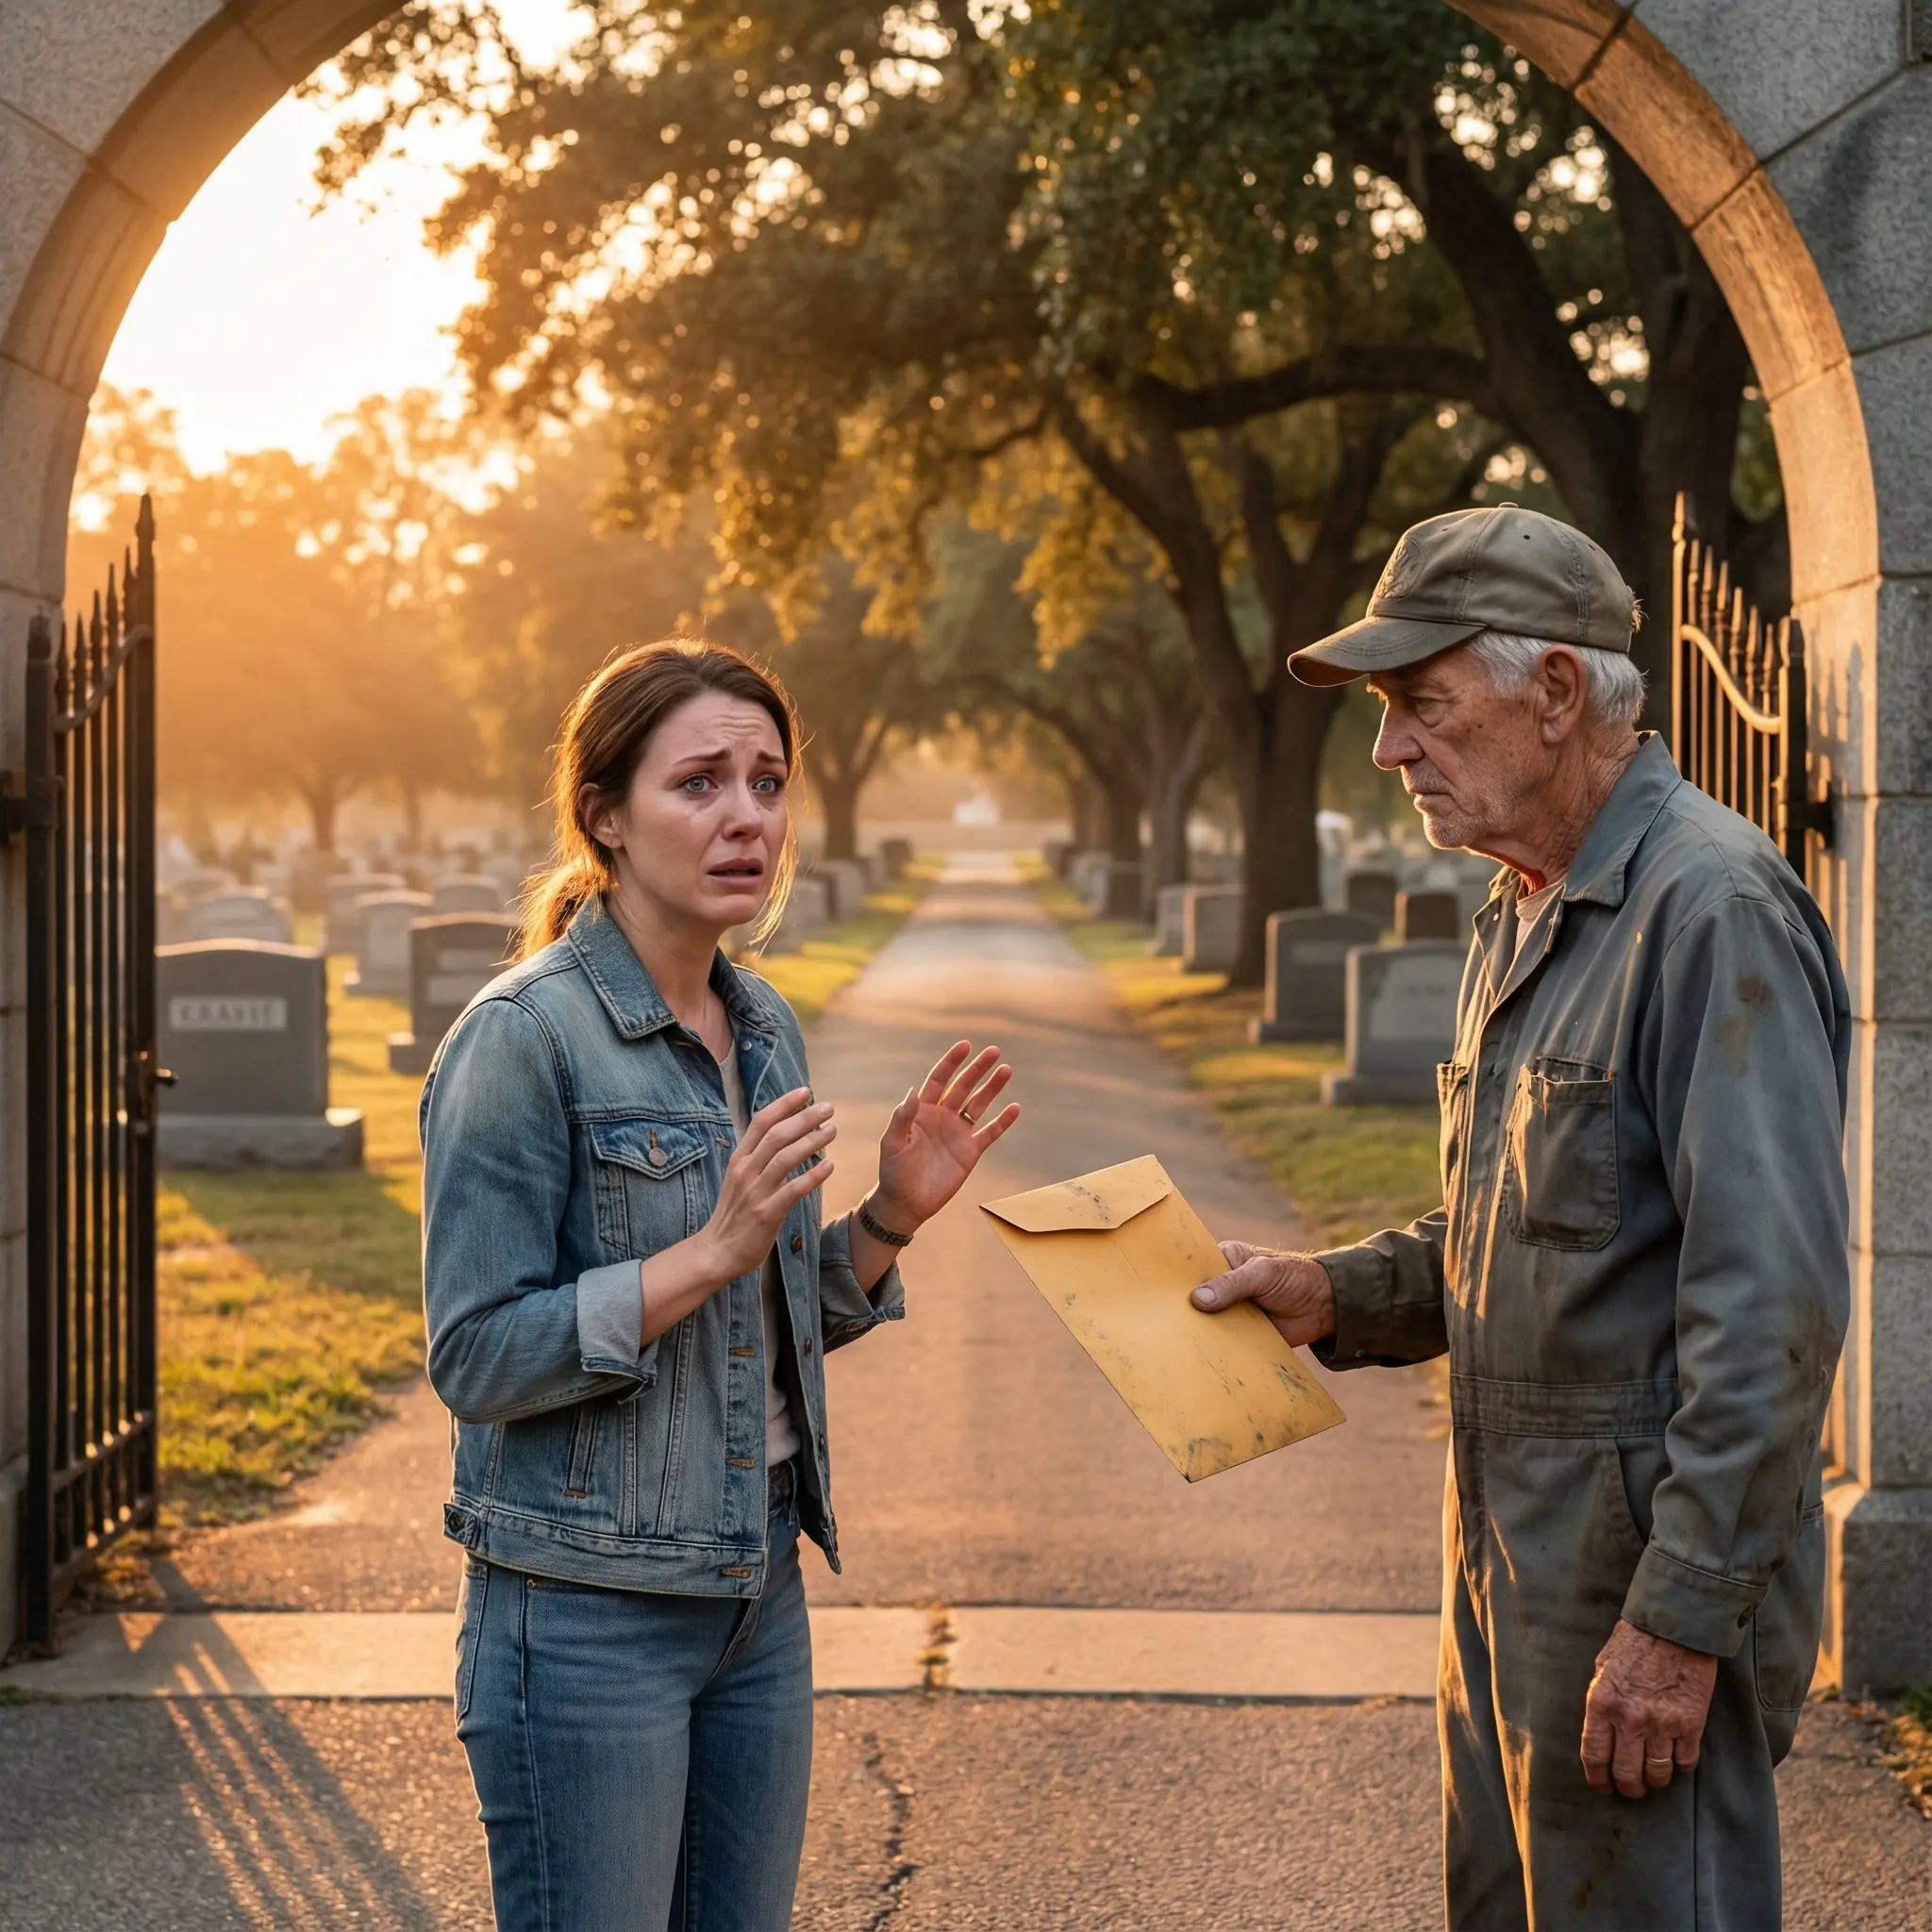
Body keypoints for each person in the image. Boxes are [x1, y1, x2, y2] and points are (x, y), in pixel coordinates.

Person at [1192, 506, 1849, 1928]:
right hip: (1505, 1556)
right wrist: (1334, 1291)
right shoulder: (1525, 905)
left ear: (1557, 694)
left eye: (1422, 705)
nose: (1389, 751)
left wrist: (1676, 1623)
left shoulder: (1710, 906)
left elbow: (1773, 1312)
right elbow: (1523, 1228)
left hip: (1632, 1584)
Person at [419, 639, 1020, 1929]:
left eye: (766, 780)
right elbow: (475, 1357)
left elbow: (758, 1326)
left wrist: (889, 1220)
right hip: (586, 1615)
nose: (746, 815)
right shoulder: (522, 1040)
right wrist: (708, 1248)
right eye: (699, 783)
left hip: (756, 1595)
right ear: (605, 817)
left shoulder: (763, 1026)